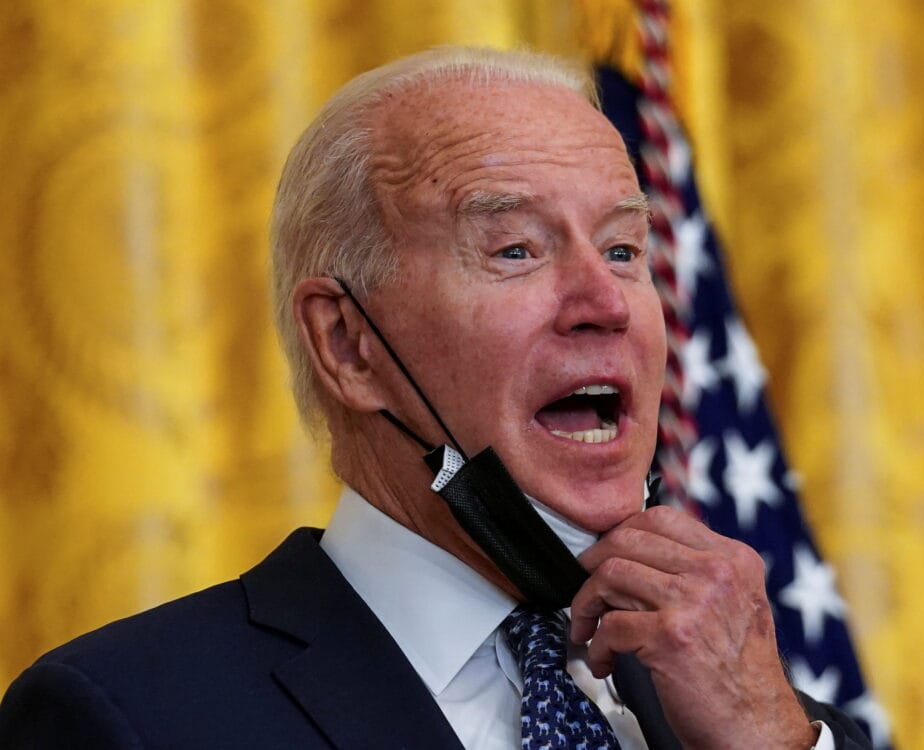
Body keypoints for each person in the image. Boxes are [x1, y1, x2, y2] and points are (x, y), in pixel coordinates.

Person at [0, 47, 870, 749]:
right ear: (349, 344)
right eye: (516, 251)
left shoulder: (745, 703)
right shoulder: (128, 716)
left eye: (623, 251)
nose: (605, 304)